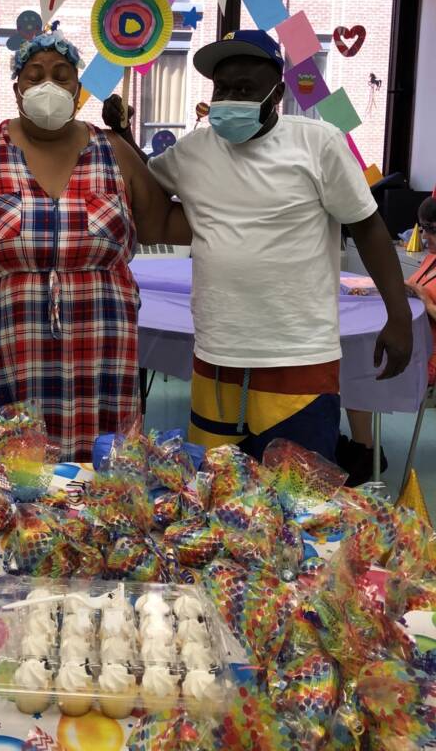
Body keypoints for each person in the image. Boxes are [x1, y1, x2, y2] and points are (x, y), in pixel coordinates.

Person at [105, 29, 412, 462]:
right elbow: (145, 192)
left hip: (299, 354)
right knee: (219, 499)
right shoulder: (193, 151)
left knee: (297, 501)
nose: (229, 98)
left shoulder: (318, 143)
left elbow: (368, 228)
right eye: (222, 88)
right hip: (216, 353)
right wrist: (120, 137)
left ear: (278, 93)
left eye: (245, 88)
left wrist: (397, 316)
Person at [0, 28, 189, 461]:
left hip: (101, 365)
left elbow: (160, 224)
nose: (48, 85)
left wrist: (243, 202)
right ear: (17, 87)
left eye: (62, 75)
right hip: (2, 360)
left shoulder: (113, 151)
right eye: (35, 75)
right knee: (3, 492)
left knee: (101, 491)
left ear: (78, 89)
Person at [339, 191, 436, 483]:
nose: (424, 237)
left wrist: (426, 302)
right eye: (423, 228)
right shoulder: (430, 259)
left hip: (427, 357)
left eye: (432, 230)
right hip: (416, 343)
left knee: (360, 369)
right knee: (352, 362)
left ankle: (366, 452)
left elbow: (425, 300)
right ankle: (362, 445)